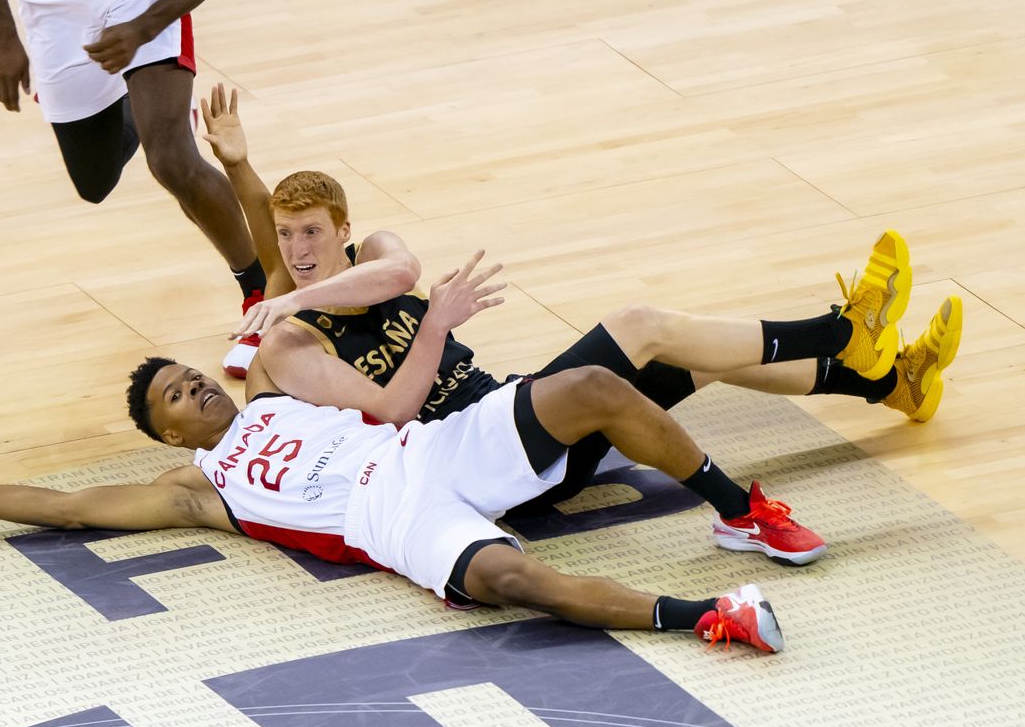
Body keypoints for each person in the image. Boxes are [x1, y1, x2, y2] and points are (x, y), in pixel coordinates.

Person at [0, 253, 789, 653]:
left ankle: (744, 515)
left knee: (593, 387)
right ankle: (711, 615)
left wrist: (240, 166)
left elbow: (359, 275)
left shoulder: (272, 382)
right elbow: (67, 507)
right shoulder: (199, 489)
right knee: (516, 589)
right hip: (393, 520)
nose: (192, 387)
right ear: (169, 435)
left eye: (191, 375)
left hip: (432, 449)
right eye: (173, 398)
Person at [194, 85, 963, 558]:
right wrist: (294, 295)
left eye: (312, 235)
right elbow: (392, 410)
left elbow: (398, 273)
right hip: (481, 463)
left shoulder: (376, 257)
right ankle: (842, 333)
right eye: (286, 238)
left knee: (696, 351)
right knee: (640, 322)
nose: (297, 253)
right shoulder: (294, 345)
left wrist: (296, 284)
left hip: (524, 413)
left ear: (341, 229)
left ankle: (893, 381)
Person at [0, 0, 265, 373]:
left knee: (171, 161)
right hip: (52, 13)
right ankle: (152, 110)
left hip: (138, 1)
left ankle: (261, 298)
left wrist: (144, 26)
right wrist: (1, 34)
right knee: (94, 182)